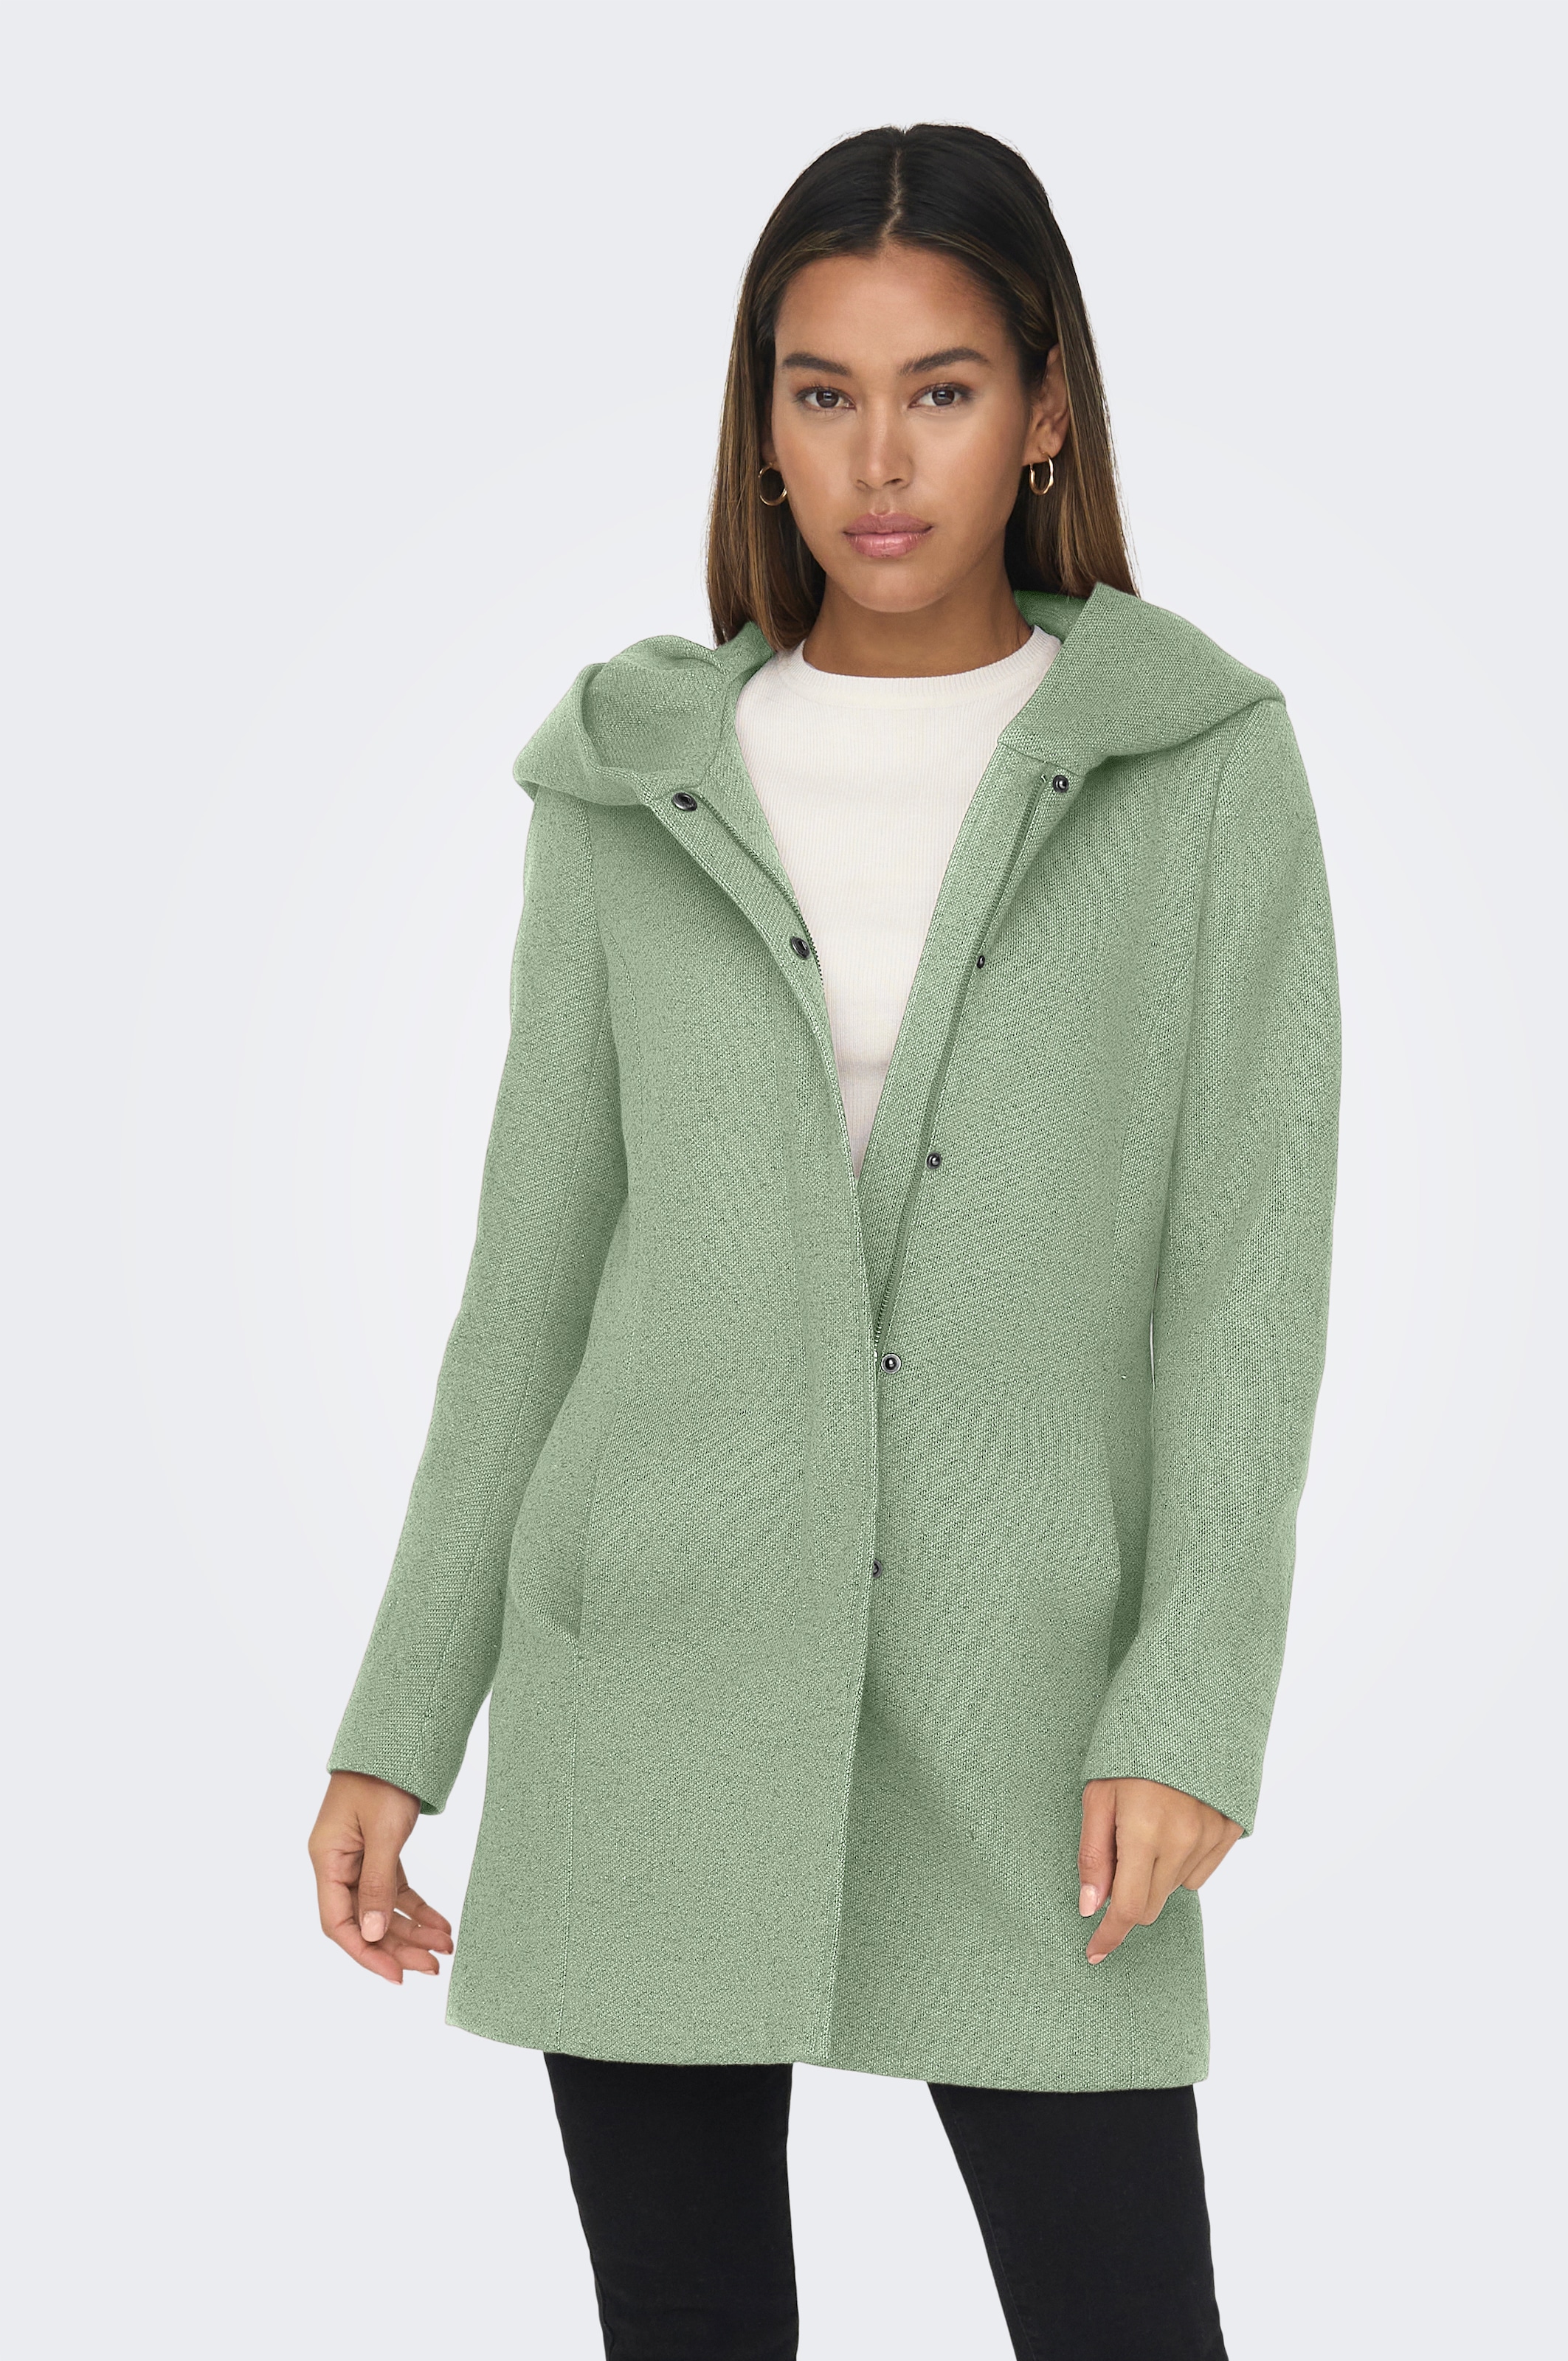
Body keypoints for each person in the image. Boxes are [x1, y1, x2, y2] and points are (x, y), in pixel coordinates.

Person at [308, 122, 1341, 2361]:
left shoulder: (1196, 767)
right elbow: (529, 1288)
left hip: (1034, 1703)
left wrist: (1191, 1702)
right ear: (760, 422)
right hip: (649, 1685)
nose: (880, 459)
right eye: (822, 391)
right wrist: (401, 1720)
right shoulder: (627, 780)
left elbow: (1247, 1285)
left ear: (1044, 409)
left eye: (941, 390)